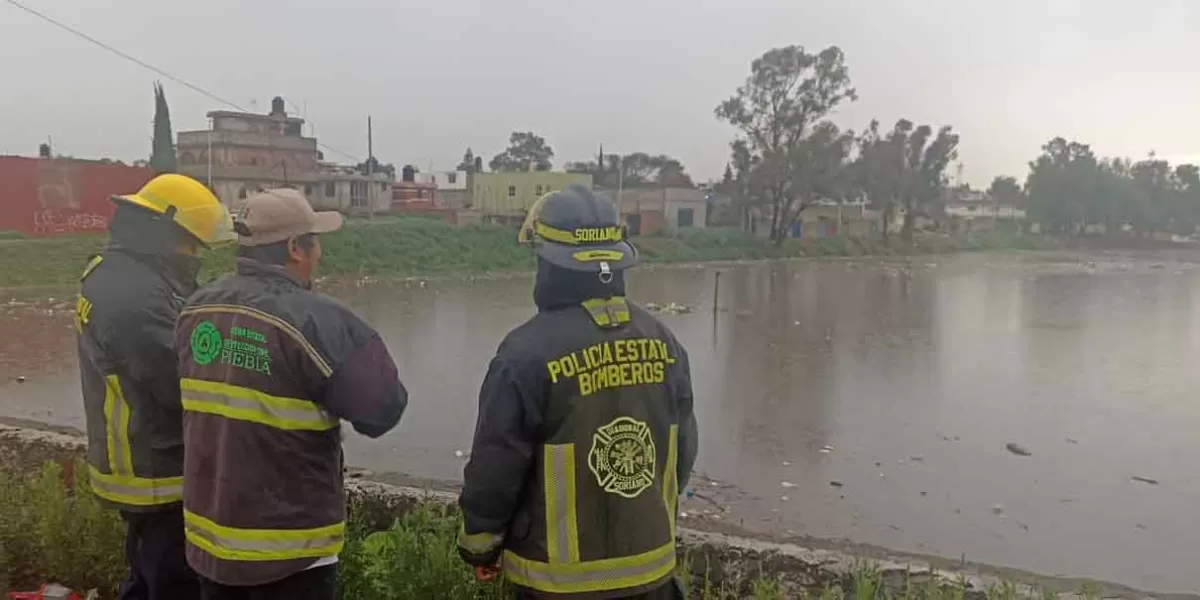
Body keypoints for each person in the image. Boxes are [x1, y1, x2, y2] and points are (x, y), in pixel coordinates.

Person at [457, 184, 699, 599]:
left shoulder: (525, 354)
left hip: (557, 584)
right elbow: (683, 452)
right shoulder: (666, 343)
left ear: (548, 264)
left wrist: (481, 547)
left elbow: (496, 468)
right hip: (652, 575)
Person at [174, 188, 408, 600]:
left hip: (209, 537)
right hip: (289, 551)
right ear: (296, 248)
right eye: (315, 242)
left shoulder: (196, 309)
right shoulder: (316, 321)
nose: (319, 254)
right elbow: (383, 409)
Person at [76, 173, 234, 600]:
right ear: (163, 234)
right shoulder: (136, 296)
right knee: (173, 580)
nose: (195, 254)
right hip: (154, 468)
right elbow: (179, 383)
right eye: (190, 243)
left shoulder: (122, 272)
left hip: (140, 458)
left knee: (148, 575)